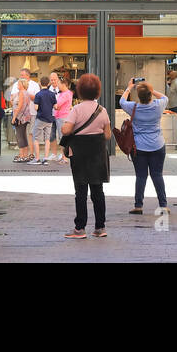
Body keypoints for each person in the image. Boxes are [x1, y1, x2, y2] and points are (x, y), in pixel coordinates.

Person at [60, 73, 112, 238]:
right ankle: (100, 227)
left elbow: (66, 130)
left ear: (80, 91)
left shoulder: (76, 109)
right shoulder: (102, 110)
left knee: (80, 191)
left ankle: (80, 228)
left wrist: (66, 127)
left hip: (80, 154)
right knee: (98, 191)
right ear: (98, 91)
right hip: (97, 153)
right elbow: (108, 135)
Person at [120, 78, 169, 215]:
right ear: (150, 95)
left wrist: (129, 87)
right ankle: (163, 206)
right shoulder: (158, 105)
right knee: (157, 175)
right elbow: (165, 97)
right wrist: (152, 91)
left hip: (139, 147)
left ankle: (138, 206)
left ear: (139, 96)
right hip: (157, 145)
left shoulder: (133, 107)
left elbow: (121, 101)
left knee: (141, 176)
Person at [11, 74, 37, 162]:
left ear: (22, 85)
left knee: (20, 136)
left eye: (18, 84)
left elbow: (20, 107)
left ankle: (22, 156)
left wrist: (14, 117)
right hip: (25, 117)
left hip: (20, 118)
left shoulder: (22, 93)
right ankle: (25, 155)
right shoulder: (25, 92)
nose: (17, 85)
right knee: (23, 136)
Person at [31, 76, 56, 164]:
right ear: (48, 83)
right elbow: (56, 107)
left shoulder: (38, 94)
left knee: (35, 138)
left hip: (41, 118)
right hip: (49, 119)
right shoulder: (52, 94)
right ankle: (45, 159)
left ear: (40, 84)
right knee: (47, 139)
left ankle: (37, 159)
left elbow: (36, 107)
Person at [50, 71, 73, 163]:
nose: (58, 86)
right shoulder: (67, 93)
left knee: (63, 138)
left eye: (59, 84)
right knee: (62, 137)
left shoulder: (65, 94)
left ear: (64, 85)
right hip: (60, 117)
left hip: (62, 117)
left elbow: (57, 106)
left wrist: (49, 102)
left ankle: (64, 157)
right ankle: (64, 156)